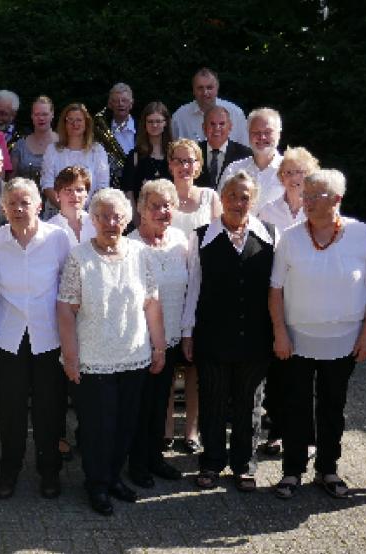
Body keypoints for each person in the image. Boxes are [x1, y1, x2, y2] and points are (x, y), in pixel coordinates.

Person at [269, 169, 366, 500]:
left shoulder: (361, 234)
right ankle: (292, 471)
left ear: (336, 199)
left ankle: (327, 469)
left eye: (313, 196)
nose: (305, 202)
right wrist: (279, 333)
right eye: (304, 195)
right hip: (297, 339)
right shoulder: (290, 237)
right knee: (295, 406)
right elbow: (275, 290)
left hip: (344, 339)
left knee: (333, 406)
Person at [57, 188, 166, 516]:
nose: (110, 222)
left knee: (125, 424)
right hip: (93, 359)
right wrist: (70, 356)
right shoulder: (79, 257)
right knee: (98, 428)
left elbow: (152, 303)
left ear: (127, 219)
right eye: (103, 216)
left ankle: (114, 477)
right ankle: (97, 485)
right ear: (93, 220)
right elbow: (65, 309)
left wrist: (159, 347)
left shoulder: (140, 253)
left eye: (117, 216)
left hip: (133, 355)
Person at [181, 171, 276, 492]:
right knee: (213, 400)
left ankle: (244, 465)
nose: (237, 202)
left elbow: (277, 289)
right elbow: (193, 287)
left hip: (256, 336)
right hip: (212, 335)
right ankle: (211, 462)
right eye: (232, 195)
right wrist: (187, 332)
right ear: (221, 198)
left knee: (250, 403)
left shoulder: (271, 236)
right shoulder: (201, 237)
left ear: (254, 200)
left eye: (244, 197)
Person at [0, 178, 71, 500]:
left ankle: (49, 471)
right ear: (4, 208)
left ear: (39, 205)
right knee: (10, 410)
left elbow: (67, 284)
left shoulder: (57, 238)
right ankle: (9, 470)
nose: (19, 209)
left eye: (25, 202)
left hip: (48, 335)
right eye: (12, 203)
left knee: (49, 409)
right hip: (9, 337)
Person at [255, 147, 320, 457]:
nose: (295, 178)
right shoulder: (268, 211)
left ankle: (307, 437)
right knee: (279, 372)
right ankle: (278, 432)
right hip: (277, 299)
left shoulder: (319, 210)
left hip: (310, 299)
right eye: (289, 172)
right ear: (281, 177)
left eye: (301, 172)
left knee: (306, 373)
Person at [126, 179, 186, 488]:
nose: (162, 211)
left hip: (171, 336)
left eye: (168, 205)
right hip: (140, 341)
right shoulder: (130, 247)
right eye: (155, 206)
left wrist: (186, 333)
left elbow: (191, 288)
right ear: (141, 209)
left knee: (161, 401)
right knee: (140, 405)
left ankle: (155, 458)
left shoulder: (181, 241)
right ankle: (137, 464)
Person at [165, 138, 222, 454]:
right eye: (179, 160)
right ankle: (165, 428)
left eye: (190, 161)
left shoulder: (210, 197)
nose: (184, 166)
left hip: (200, 286)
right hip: (168, 286)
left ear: (199, 165)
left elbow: (219, 239)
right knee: (166, 360)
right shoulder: (162, 194)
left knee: (193, 363)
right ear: (170, 164)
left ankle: (191, 431)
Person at [41, 103, 110, 214]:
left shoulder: (97, 150)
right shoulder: (52, 150)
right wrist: (67, 211)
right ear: (64, 124)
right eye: (70, 120)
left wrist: (85, 214)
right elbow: (47, 185)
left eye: (79, 120)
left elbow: (103, 186)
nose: (75, 124)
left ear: (86, 123)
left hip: (90, 214)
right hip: (58, 213)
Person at [220, 107, 284, 213]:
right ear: (248, 134)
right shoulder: (233, 170)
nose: (262, 137)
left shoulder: (291, 171)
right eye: (256, 132)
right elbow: (220, 208)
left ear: (279, 134)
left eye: (268, 132)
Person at [171, 68, 248, 147]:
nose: (205, 92)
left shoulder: (236, 114)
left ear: (217, 88)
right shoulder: (180, 117)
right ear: (193, 90)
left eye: (209, 88)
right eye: (200, 88)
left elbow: (246, 147)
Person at [119, 101, 173, 215]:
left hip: (171, 216)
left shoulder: (174, 154)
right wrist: (136, 220)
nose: (154, 125)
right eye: (150, 121)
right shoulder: (134, 156)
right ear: (145, 124)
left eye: (158, 121)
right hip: (142, 218)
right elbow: (128, 191)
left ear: (166, 123)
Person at [195, 106, 252, 190]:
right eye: (212, 124)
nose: (217, 128)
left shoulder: (245, 155)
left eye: (222, 124)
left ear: (230, 127)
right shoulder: (194, 152)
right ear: (204, 127)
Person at [9, 95, 59, 187]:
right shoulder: (20, 145)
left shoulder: (63, 143)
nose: (41, 118)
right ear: (32, 116)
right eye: (37, 114)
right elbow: (11, 180)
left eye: (45, 114)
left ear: (52, 115)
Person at [48, 165, 97, 246]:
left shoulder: (97, 224)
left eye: (79, 190)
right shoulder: (49, 230)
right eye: (68, 190)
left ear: (87, 195)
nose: (74, 195)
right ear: (57, 195)